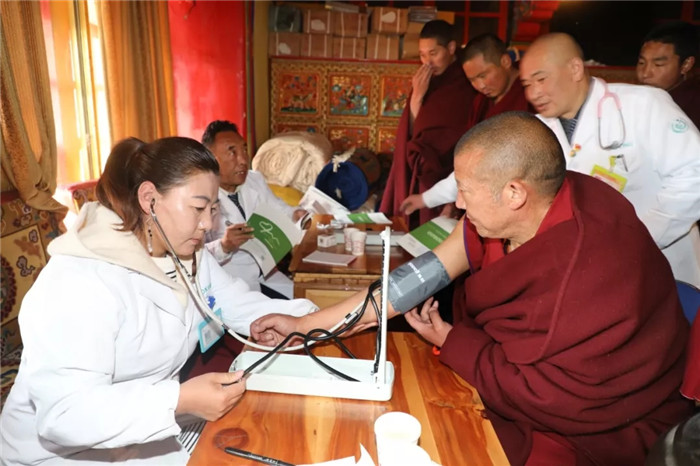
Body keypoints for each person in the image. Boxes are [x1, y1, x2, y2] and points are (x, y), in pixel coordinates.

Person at [251, 112, 693, 466]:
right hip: (506, 374)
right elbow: (410, 283)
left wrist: (453, 341)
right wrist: (304, 325)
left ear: (515, 193)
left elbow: (554, 398)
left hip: (603, 424)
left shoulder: (591, 257)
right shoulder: (512, 213)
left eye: (465, 190)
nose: (458, 203)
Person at [0, 137, 316, 464]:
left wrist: (321, 319)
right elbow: (66, 414)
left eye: (213, 210)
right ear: (149, 199)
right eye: (198, 208)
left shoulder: (183, 253)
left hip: (141, 429)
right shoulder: (78, 281)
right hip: (61, 454)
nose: (208, 224)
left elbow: (240, 304)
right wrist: (178, 400)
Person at [520, 32, 700, 288]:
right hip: (587, 267)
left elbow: (694, 175)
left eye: (541, 79)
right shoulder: (537, 129)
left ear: (575, 68)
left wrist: (638, 236)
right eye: (527, 84)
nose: (533, 93)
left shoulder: (644, 104)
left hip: (661, 260)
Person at [400, 33, 533, 217]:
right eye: (472, 80)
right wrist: (444, 200)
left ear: (505, 61)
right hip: (483, 199)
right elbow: (472, 158)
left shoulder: (530, 95)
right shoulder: (480, 102)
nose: (480, 85)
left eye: (483, 75)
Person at [378, 19, 475, 228]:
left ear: (451, 48)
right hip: (421, 169)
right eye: (422, 55)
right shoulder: (424, 82)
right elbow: (412, 131)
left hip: (448, 168)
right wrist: (417, 97)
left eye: (433, 53)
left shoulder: (466, 82)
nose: (427, 62)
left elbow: (466, 132)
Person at [202, 120, 307, 298]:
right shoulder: (201, 195)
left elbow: (279, 208)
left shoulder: (254, 180)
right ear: (211, 159)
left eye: (244, 150)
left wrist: (296, 214)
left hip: (267, 273)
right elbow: (190, 255)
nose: (243, 160)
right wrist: (224, 246)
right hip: (230, 285)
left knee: (307, 301)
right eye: (232, 152)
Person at [637, 21, 700, 128]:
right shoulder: (637, 97)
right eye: (641, 63)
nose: (645, 74)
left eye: (658, 64)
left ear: (686, 65)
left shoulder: (694, 106)